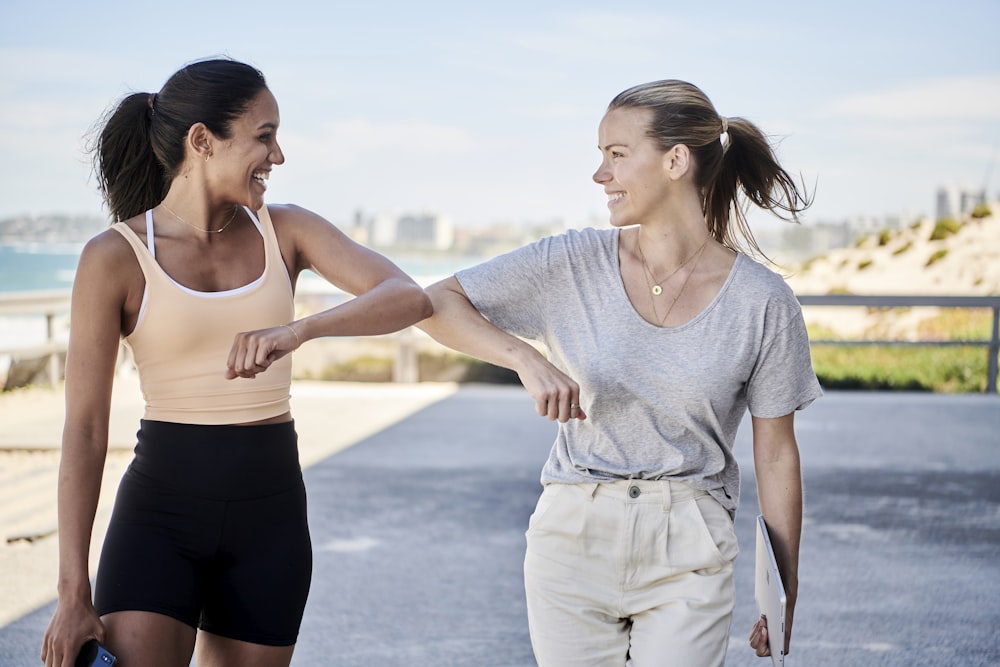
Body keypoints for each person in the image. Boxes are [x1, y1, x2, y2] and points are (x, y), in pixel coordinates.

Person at [40, 58, 432, 667]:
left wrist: (299, 330)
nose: (278, 157)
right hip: (159, 517)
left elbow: (406, 295)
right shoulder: (113, 257)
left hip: (269, 518)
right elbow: (85, 430)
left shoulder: (287, 230)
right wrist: (72, 593)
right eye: (264, 136)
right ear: (202, 140)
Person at [417, 79, 822, 666]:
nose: (599, 175)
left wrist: (783, 587)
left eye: (616, 155)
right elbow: (437, 303)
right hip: (573, 535)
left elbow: (778, 454)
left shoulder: (763, 302)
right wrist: (526, 358)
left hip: (690, 543)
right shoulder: (570, 261)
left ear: (676, 160)